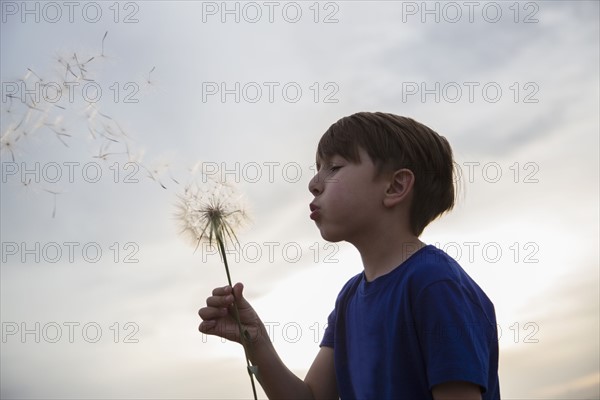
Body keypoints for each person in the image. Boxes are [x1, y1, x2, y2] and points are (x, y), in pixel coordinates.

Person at [199, 112, 500, 399]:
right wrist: (257, 341)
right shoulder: (349, 299)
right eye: (317, 168)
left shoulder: (434, 284)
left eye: (334, 167)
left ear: (395, 186)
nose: (314, 183)